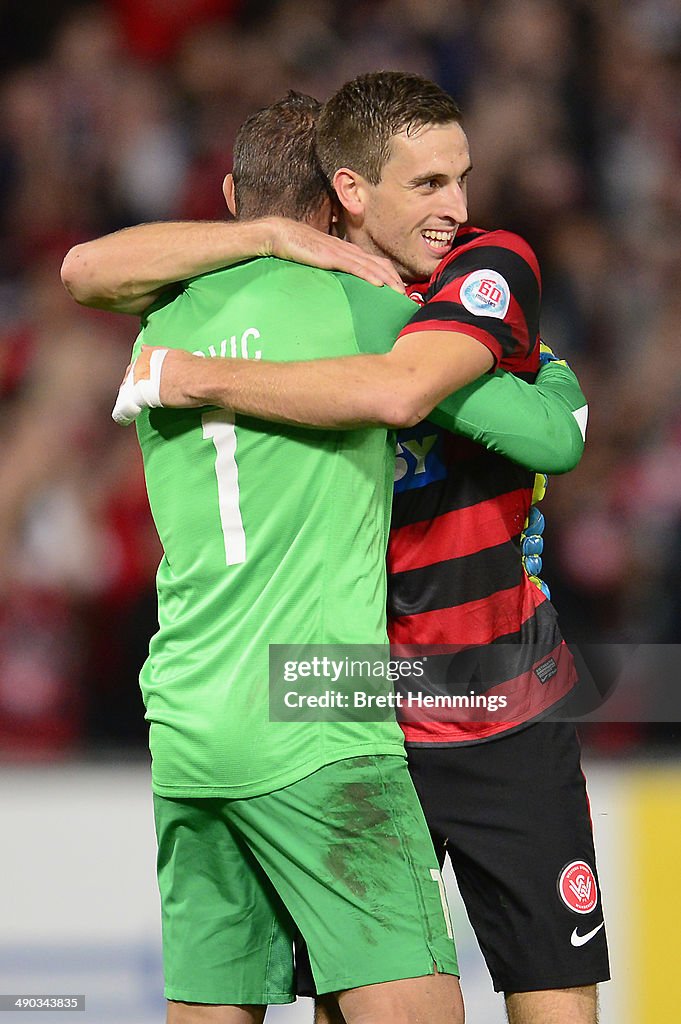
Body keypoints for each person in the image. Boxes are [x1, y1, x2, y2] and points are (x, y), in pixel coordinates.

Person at [62, 73, 607, 1024]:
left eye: (459, 180)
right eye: (428, 184)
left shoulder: (178, 310)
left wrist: (200, 368)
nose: (458, 208)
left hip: (403, 706)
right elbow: (524, 425)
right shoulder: (363, 305)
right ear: (344, 195)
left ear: (238, 200)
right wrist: (541, 380)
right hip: (346, 717)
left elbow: (81, 269)